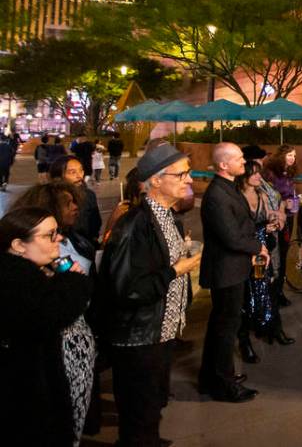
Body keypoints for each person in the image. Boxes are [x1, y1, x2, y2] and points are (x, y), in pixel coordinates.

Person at [99, 143, 202, 446]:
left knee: (152, 406)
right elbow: (128, 288)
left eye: (189, 173)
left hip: (160, 333)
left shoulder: (168, 217)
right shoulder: (134, 225)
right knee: (138, 413)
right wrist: (176, 270)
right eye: (182, 174)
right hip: (138, 337)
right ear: (156, 181)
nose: (189, 180)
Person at [0, 207, 94, 446]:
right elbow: (52, 313)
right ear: (19, 245)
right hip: (29, 400)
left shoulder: (39, 269)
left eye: (58, 232)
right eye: (49, 235)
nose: (59, 238)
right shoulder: (13, 281)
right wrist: (74, 281)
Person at [198, 142, 267, 403]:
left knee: (222, 325)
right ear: (223, 165)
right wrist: (258, 246)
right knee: (225, 329)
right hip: (225, 270)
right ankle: (223, 384)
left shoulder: (229, 188)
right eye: (238, 158)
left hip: (233, 268)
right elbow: (231, 237)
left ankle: (210, 377)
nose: (243, 161)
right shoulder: (217, 195)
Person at [238, 160, 293, 362]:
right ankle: (244, 341)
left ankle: (273, 329)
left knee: (267, 288)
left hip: (263, 253)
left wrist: (275, 222)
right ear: (244, 176)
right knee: (246, 295)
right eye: (254, 174)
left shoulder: (261, 194)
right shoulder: (237, 197)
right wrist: (262, 229)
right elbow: (239, 230)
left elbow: (272, 213)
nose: (259, 177)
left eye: (259, 173)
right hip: (245, 254)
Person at [263, 144, 298, 308]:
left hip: (289, 217)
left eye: (294, 155)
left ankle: (279, 291)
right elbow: (269, 198)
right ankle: (271, 292)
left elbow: (290, 194)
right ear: (281, 156)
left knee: (283, 253)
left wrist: (296, 201)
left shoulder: (289, 172)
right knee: (275, 253)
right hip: (275, 219)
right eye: (289, 155)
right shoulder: (271, 174)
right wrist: (284, 203)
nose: (292, 158)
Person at [49, 155, 103, 245]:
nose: (79, 176)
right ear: (59, 176)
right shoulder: (50, 198)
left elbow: (95, 223)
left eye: (81, 170)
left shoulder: (89, 195)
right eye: (72, 172)